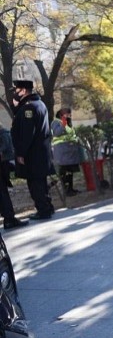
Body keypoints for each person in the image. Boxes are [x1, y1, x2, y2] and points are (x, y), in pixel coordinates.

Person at [10, 79, 55, 220]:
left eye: (17, 90)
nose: (15, 93)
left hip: (32, 153)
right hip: (41, 152)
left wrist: (21, 153)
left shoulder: (29, 108)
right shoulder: (39, 103)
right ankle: (47, 207)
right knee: (40, 181)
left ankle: (43, 210)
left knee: (35, 183)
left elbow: (27, 133)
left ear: (23, 91)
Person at [0, 123, 28, 230]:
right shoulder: (4, 134)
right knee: (3, 194)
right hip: (2, 165)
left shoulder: (3, 134)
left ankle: (9, 219)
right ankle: (9, 219)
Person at [50, 107, 81, 196]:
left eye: (69, 114)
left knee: (70, 172)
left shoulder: (68, 122)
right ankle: (66, 190)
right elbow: (57, 133)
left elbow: (71, 134)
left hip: (70, 151)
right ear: (62, 114)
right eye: (67, 114)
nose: (69, 116)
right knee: (64, 172)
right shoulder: (56, 122)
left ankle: (70, 189)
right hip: (62, 152)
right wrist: (63, 124)